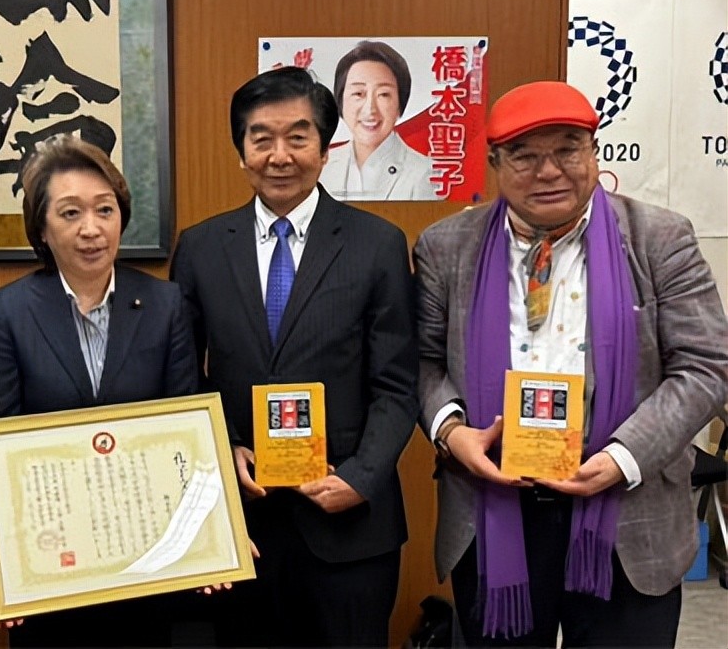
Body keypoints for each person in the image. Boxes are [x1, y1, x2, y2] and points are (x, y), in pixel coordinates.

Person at [415, 81, 728, 647]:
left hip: (626, 515)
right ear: (494, 164)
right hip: (494, 509)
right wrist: (452, 432)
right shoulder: (446, 247)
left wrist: (623, 456)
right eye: (525, 156)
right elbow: (423, 361)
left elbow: (706, 365)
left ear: (594, 152)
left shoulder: (660, 239)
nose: (549, 171)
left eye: (567, 150)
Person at [170, 66, 419, 647]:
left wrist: (361, 477)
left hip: (349, 524)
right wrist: (223, 446)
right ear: (242, 152)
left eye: (298, 137)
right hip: (242, 520)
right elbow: (183, 374)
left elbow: (398, 383)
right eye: (261, 138)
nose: (279, 155)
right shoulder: (201, 248)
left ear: (325, 148)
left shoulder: (378, 244)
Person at [0, 134, 199, 646]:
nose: (91, 229)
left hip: (146, 554)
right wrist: (2, 550)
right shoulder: (9, 312)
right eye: (70, 213)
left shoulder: (165, 304)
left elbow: (187, 431)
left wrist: (212, 534)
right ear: (42, 228)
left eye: (104, 210)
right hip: (51, 556)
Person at [320, 40, 439, 201]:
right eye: (358, 94)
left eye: (383, 94)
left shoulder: (424, 174)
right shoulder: (321, 167)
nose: (370, 109)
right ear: (340, 100)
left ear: (400, 103)